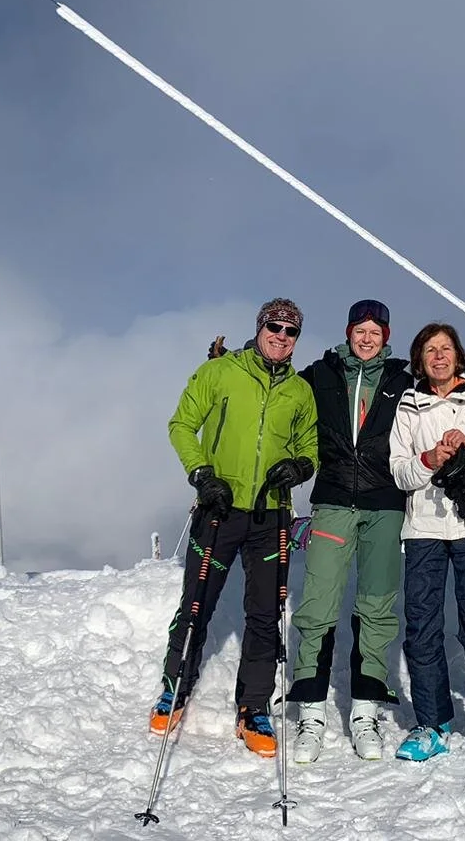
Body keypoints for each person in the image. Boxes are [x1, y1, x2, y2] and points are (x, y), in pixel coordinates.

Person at [150, 297, 319, 759]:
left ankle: (254, 708)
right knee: (197, 603)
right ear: (260, 327)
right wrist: (203, 474)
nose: (281, 336)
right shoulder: (220, 373)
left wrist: (300, 467)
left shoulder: (300, 392)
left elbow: (311, 446)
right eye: (274, 326)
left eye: (290, 331)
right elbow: (182, 424)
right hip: (219, 507)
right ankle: (174, 687)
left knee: (265, 615)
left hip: (270, 514)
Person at [286, 299, 413, 763]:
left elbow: (449, 392)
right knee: (318, 605)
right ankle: (311, 713)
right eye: (359, 330)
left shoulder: (403, 379)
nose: (366, 338)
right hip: (334, 500)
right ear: (347, 332)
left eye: (375, 331)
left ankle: (364, 712)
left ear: (386, 336)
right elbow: (280, 401)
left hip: (385, 504)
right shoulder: (320, 375)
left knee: (377, 607)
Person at [387, 322, 465, 774]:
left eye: (445, 349)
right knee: (421, 625)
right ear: (419, 360)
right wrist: (430, 459)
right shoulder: (409, 404)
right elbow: (399, 472)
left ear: (458, 357)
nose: (438, 357)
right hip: (423, 527)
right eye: (429, 350)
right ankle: (433, 724)